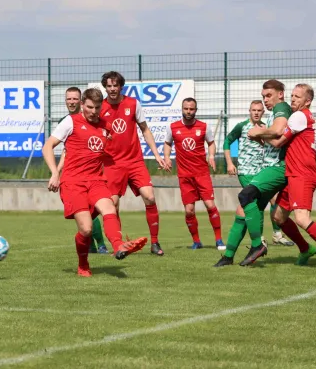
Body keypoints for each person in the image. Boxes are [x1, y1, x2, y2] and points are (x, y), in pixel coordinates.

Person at [42, 87, 147, 277]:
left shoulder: (106, 126)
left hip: (96, 180)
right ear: (82, 105)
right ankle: (83, 265)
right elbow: (48, 146)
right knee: (86, 229)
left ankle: (118, 246)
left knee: (110, 208)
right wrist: (54, 174)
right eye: (89, 107)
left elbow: (107, 153)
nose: (93, 112)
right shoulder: (70, 122)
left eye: (97, 108)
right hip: (73, 182)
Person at [215, 100, 292, 266]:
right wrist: (229, 162)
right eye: (253, 110)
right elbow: (227, 141)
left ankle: (229, 255)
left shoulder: (265, 129)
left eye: (259, 110)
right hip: (245, 172)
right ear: (249, 111)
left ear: (263, 112)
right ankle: (260, 242)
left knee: (244, 211)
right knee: (250, 204)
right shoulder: (242, 126)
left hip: (262, 172)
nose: (256, 113)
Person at [100, 71, 166, 256]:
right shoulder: (100, 108)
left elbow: (145, 129)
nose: (112, 89)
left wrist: (157, 154)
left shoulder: (132, 104)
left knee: (150, 197)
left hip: (135, 161)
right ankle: (119, 245)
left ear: (121, 86)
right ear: (105, 87)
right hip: (112, 164)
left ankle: (155, 243)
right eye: (109, 86)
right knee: (112, 205)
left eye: (115, 85)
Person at [261, 83, 316, 266]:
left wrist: (258, 131)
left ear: (308, 101)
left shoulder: (298, 116)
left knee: (302, 218)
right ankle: (305, 249)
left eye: (298, 96)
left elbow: (278, 142)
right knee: (279, 217)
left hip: (302, 174)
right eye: (292, 96)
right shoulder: (302, 116)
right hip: (293, 174)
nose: (293, 99)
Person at [234, 79, 293, 266]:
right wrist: (261, 135)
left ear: (280, 94)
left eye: (268, 96)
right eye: (263, 97)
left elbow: (277, 131)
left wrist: (258, 132)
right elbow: (275, 140)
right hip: (273, 168)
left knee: (246, 197)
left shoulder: (281, 107)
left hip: (279, 168)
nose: (265, 100)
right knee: (252, 209)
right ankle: (229, 255)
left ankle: (257, 245)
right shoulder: (275, 112)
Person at [163, 97, 225, 250]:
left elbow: (211, 143)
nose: (188, 111)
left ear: (195, 110)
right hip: (184, 176)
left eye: (191, 109)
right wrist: (166, 158)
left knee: (210, 205)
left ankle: (219, 240)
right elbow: (167, 143)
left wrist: (211, 156)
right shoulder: (173, 127)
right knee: (189, 210)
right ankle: (196, 241)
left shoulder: (204, 127)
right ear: (182, 109)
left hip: (202, 173)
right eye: (186, 108)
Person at [56, 87, 109, 254]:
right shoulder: (67, 121)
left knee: (94, 211)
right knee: (84, 216)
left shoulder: (95, 121)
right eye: (68, 99)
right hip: (74, 177)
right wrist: (57, 173)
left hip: (93, 176)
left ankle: (101, 243)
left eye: (74, 99)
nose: (71, 102)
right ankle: (91, 246)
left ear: (81, 101)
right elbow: (67, 151)